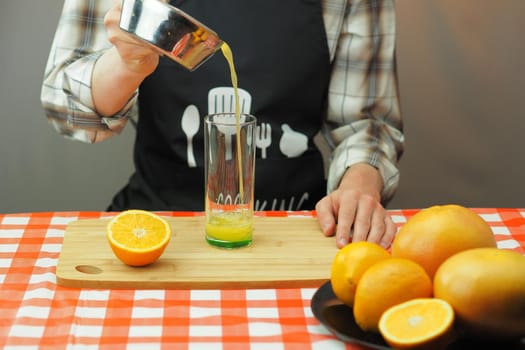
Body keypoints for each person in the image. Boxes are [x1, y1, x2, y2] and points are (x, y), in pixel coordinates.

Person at [41, 0, 404, 248]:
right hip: (156, 228)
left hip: (297, 231)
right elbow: (67, 107)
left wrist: (360, 184)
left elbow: (366, 122)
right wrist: (128, 65)